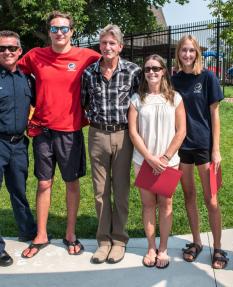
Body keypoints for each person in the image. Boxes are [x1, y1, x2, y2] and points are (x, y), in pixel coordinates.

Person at [18, 11, 101, 258]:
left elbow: (111, 61)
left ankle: (70, 233)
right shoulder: (35, 56)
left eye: (64, 28)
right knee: (44, 183)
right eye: (55, 29)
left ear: (72, 32)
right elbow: (13, 70)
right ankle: (41, 234)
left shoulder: (86, 56)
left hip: (70, 131)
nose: (60, 33)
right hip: (42, 130)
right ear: (49, 32)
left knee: (71, 183)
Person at [81, 24, 141, 264]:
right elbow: (84, 102)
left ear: (120, 47)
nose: (107, 47)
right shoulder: (89, 73)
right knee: (100, 191)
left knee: (122, 190)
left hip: (124, 136)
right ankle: (103, 241)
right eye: (104, 43)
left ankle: (119, 240)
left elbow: (140, 103)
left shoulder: (133, 72)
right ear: (100, 45)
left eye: (112, 43)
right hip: (97, 135)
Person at [172, 35, 228, 269]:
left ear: (197, 53)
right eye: (183, 50)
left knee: (211, 199)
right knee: (189, 196)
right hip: (182, 147)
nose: (187, 54)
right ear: (178, 53)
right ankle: (196, 242)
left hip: (203, 145)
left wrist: (216, 150)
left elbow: (214, 114)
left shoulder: (207, 77)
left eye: (191, 51)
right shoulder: (173, 79)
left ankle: (217, 247)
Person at [129, 54, 186, 268]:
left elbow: (181, 131)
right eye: (147, 69)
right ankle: (151, 247)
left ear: (163, 71)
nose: (151, 72)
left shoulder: (175, 98)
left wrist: (164, 158)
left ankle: (163, 248)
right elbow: (133, 133)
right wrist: (150, 158)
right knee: (147, 205)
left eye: (155, 68)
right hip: (143, 161)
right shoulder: (137, 99)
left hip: (168, 163)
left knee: (166, 204)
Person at [0, 30, 37, 267]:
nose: (7, 52)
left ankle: (28, 232)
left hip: (19, 144)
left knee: (19, 191)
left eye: (12, 48)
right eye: (2, 48)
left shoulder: (27, 78)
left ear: (19, 51)